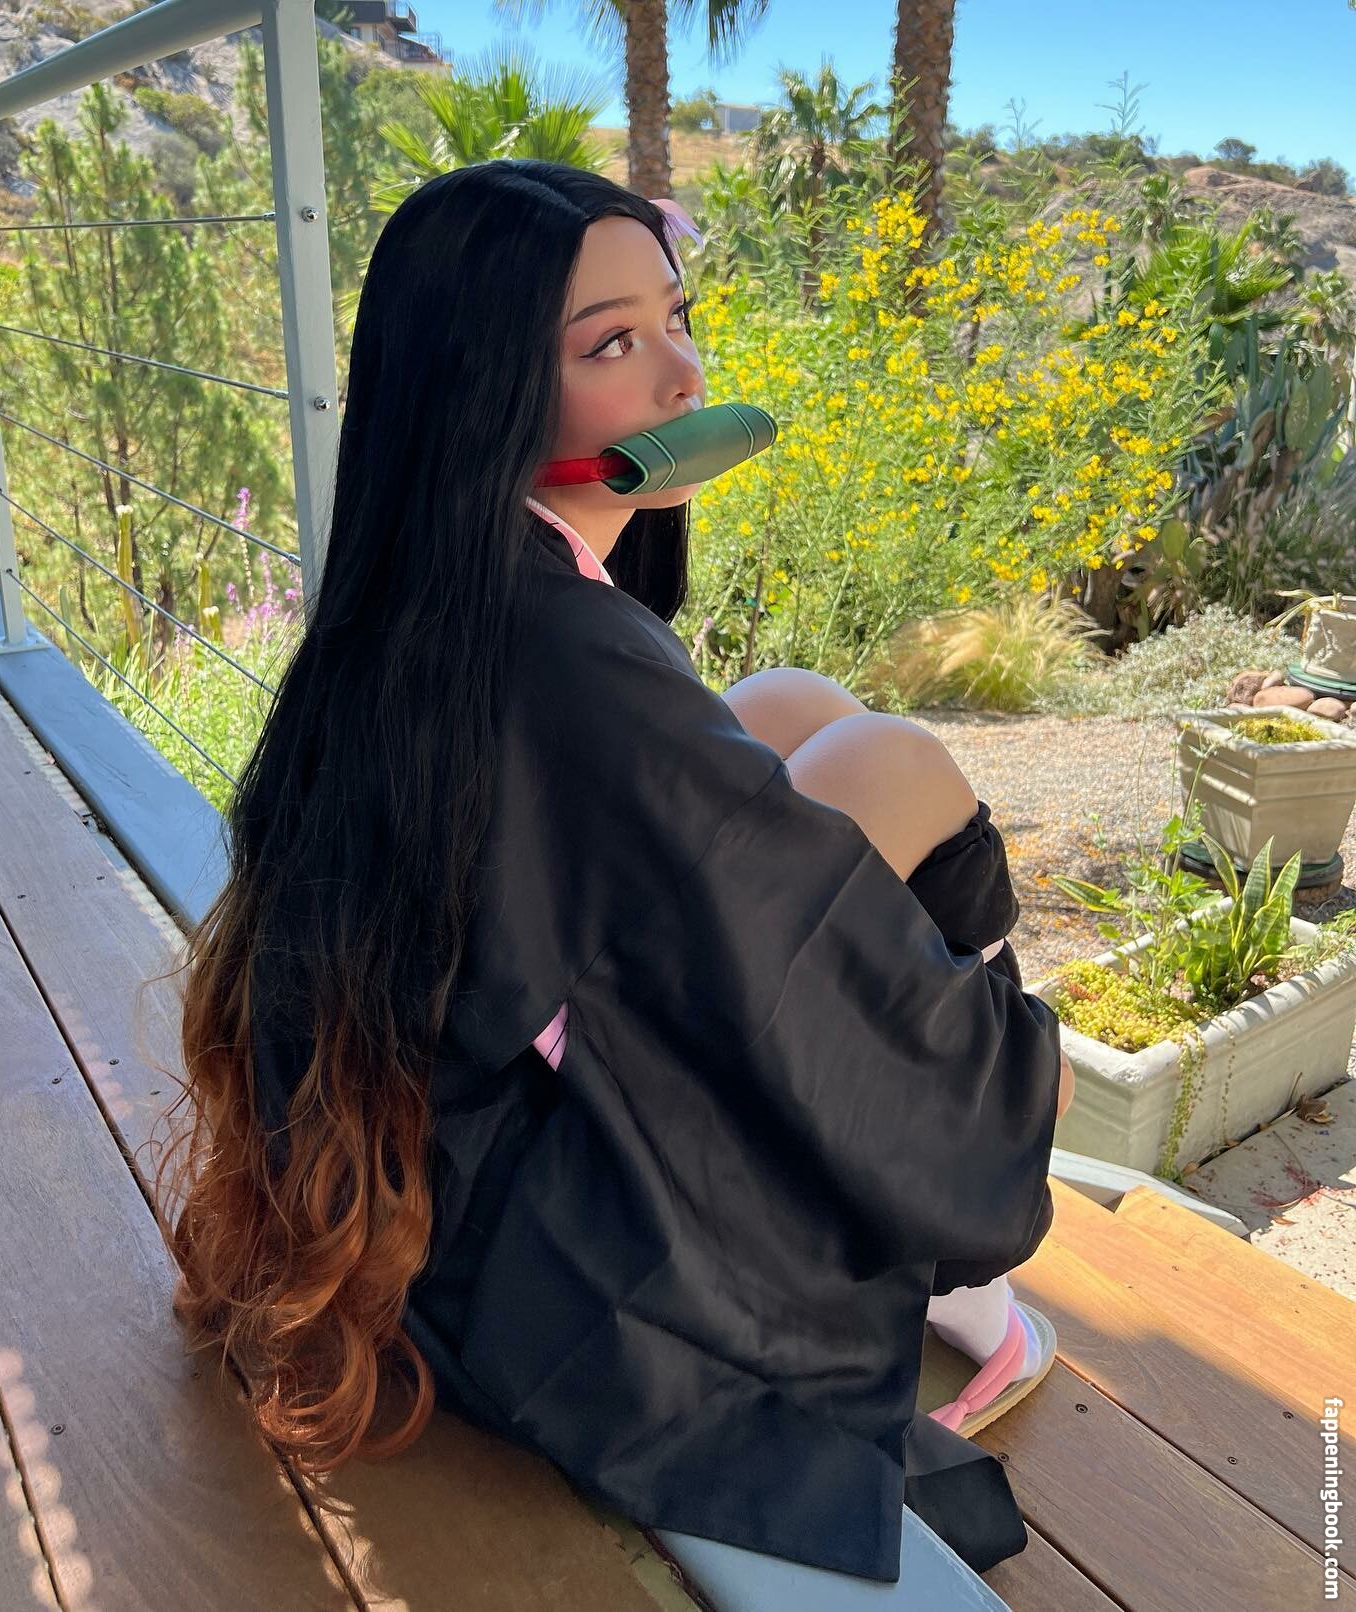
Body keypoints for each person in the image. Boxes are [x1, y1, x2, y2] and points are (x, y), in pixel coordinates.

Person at [156, 158, 1073, 1588]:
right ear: (490, 398)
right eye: (611, 345)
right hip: (538, 1247)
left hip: (429, 1152)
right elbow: (732, 923)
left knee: (784, 705)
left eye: (676, 319)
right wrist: (1008, 1080)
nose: (682, 373)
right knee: (893, 768)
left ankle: (932, 1203)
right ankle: (943, 1227)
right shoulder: (567, 657)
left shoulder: (450, 585)